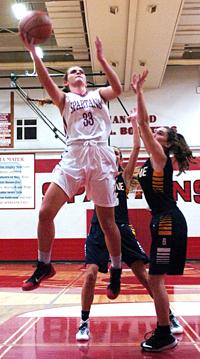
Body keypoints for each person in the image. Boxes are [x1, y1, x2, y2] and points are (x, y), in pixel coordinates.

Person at [20, 33, 122, 297]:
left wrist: (101, 59)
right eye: (72, 72)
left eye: (81, 71)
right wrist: (33, 52)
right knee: (44, 212)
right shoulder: (64, 99)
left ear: (85, 79)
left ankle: (116, 270)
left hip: (100, 154)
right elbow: (45, 82)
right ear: (66, 82)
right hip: (74, 155)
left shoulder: (99, 94)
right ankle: (44, 264)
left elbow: (119, 88)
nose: (78, 73)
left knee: (107, 222)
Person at [76, 115, 183, 341]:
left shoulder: (124, 177)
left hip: (122, 229)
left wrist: (135, 124)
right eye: (110, 152)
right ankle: (84, 322)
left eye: (117, 153)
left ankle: (169, 315)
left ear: (120, 160)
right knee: (90, 275)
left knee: (144, 275)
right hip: (99, 229)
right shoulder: (95, 174)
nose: (113, 155)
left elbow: (136, 146)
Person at [131, 69, 193, 352]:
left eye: (160, 133)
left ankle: (165, 332)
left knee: (155, 279)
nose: (154, 133)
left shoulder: (160, 157)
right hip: (163, 221)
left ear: (166, 143)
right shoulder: (149, 160)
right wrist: (136, 126)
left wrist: (139, 91)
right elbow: (140, 130)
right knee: (156, 279)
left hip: (168, 222)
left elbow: (144, 124)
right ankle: (165, 328)